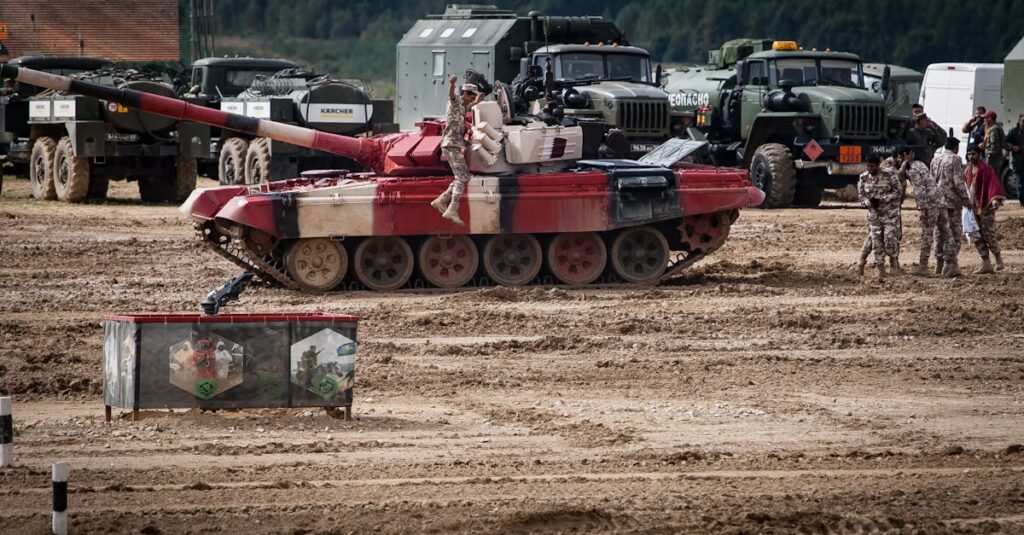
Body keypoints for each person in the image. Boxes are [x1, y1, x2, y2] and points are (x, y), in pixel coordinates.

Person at [431, 74, 483, 226]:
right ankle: (452, 209)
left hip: (453, 144)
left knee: (461, 176)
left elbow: (465, 108)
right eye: (472, 96)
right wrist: (452, 83)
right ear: (465, 93)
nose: (473, 99)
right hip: (451, 144)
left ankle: (441, 201)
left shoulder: (462, 106)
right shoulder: (456, 102)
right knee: (463, 177)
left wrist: (477, 102)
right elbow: (452, 95)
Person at [891, 147, 947, 275]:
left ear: (905, 156)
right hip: (940, 200)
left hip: (930, 204)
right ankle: (951, 264)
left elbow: (919, 189)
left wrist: (922, 208)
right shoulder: (920, 164)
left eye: (900, 157)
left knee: (927, 235)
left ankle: (923, 266)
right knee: (946, 233)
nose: (898, 160)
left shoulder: (913, 170)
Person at [930, 136, 971, 277]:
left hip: (937, 202)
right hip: (952, 203)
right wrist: (966, 200)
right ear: (956, 148)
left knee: (939, 233)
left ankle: (939, 263)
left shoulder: (935, 160)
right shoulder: (955, 159)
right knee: (953, 234)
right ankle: (950, 264)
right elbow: (958, 182)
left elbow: (931, 182)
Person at [858, 153, 903, 279]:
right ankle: (881, 268)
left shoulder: (889, 174)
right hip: (874, 216)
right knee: (877, 243)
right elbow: (861, 196)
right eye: (868, 166)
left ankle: (893, 262)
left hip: (890, 214)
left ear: (878, 165)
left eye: (872, 166)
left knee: (890, 240)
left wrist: (884, 199)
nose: (870, 169)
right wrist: (868, 202)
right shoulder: (863, 177)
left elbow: (898, 192)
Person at [964, 144, 1006, 273]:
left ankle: (998, 259)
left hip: (985, 208)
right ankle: (986, 262)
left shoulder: (986, 169)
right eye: (969, 154)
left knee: (989, 235)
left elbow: (993, 185)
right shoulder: (967, 171)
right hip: (972, 209)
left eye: (974, 154)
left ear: (979, 155)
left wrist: (994, 201)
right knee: (976, 235)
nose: (971, 157)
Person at [979, 110, 1007, 178]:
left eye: (985, 118)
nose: (984, 120)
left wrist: (988, 154)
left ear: (990, 119)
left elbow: (994, 146)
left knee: (991, 178)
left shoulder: (993, 130)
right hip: (995, 159)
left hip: (993, 160)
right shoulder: (996, 128)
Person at [1006, 114, 1024, 200]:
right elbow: (1005, 143)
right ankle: (1022, 201)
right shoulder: (1013, 132)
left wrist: (1020, 148)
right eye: (1023, 120)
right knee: (1020, 183)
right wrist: (1011, 147)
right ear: (1019, 121)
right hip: (1018, 162)